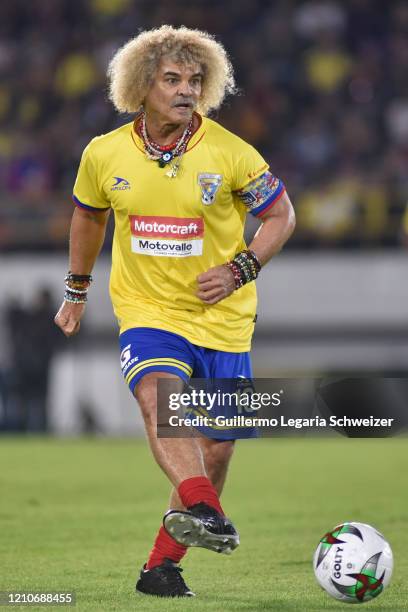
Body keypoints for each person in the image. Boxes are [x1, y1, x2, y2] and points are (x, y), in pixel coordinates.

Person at [54, 25, 295, 598]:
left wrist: (241, 268)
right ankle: (207, 510)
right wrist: (77, 289)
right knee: (157, 396)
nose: (186, 91)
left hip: (225, 318)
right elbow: (89, 218)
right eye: (172, 80)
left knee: (217, 447)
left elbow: (282, 216)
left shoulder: (232, 152)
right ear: (141, 85)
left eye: (195, 81)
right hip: (147, 309)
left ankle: (161, 569)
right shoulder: (104, 153)